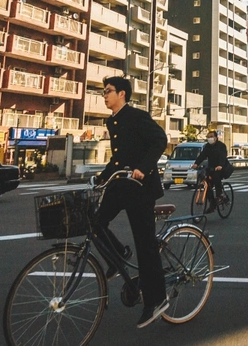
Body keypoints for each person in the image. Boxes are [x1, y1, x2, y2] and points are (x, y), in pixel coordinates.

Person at [95, 76, 169, 328]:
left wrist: (143, 168)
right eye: (103, 91)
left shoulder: (137, 116)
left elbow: (160, 140)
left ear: (122, 94)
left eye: (108, 91)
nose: (104, 95)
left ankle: (157, 300)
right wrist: (100, 178)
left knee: (145, 244)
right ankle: (118, 254)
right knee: (95, 222)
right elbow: (118, 159)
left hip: (141, 188)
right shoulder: (112, 120)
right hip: (121, 185)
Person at [191, 130, 229, 210]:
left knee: (216, 177)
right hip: (211, 167)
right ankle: (212, 202)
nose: (209, 138)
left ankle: (219, 196)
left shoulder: (221, 146)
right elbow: (202, 155)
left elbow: (223, 156)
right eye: (208, 137)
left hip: (221, 167)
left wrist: (220, 165)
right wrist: (196, 163)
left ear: (216, 137)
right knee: (206, 183)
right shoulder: (207, 146)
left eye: (211, 136)